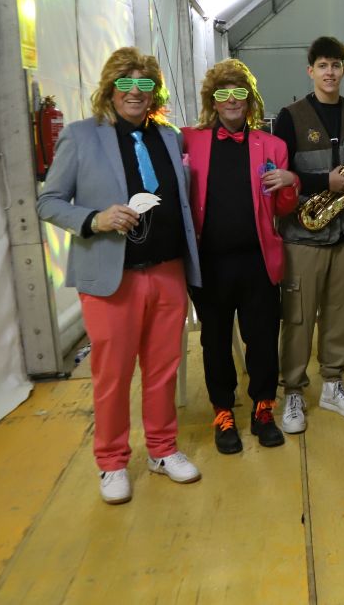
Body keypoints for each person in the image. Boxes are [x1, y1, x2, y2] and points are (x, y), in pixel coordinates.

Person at [37, 47, 202, 504]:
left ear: (154, 92)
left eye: (145, 84)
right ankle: (111, 461)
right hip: (113, 277)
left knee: (164, 369)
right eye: (126, 83)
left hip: (168, 270)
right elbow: (48, 201)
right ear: (109, 88)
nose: (135, 92)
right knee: (112, 373)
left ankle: (163, 449)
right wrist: (94, 219)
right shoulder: (80, 136)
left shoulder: (168, 138)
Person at [182, 60, 299, 454]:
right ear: (212, 102)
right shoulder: (190, 141)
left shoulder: (273, 146)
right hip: (209, 264)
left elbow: (283, 208)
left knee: (263, 340)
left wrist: (290, 182)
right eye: (222, 94)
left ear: (249, 100)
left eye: (239, 93)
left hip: (258, 262)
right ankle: (223, 413)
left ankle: (263, 409)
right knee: (214, 344)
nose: (231, 101)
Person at [272, 36, 344, 434]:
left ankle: (333, 383)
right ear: (310, 71)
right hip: (303, 234)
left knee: (339, 314)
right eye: (323, 65)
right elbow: (278, 174)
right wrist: (320, 180)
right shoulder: (289, 115)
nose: (330, 72)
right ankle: (293, 390)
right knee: (297, 317)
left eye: (336, 65)